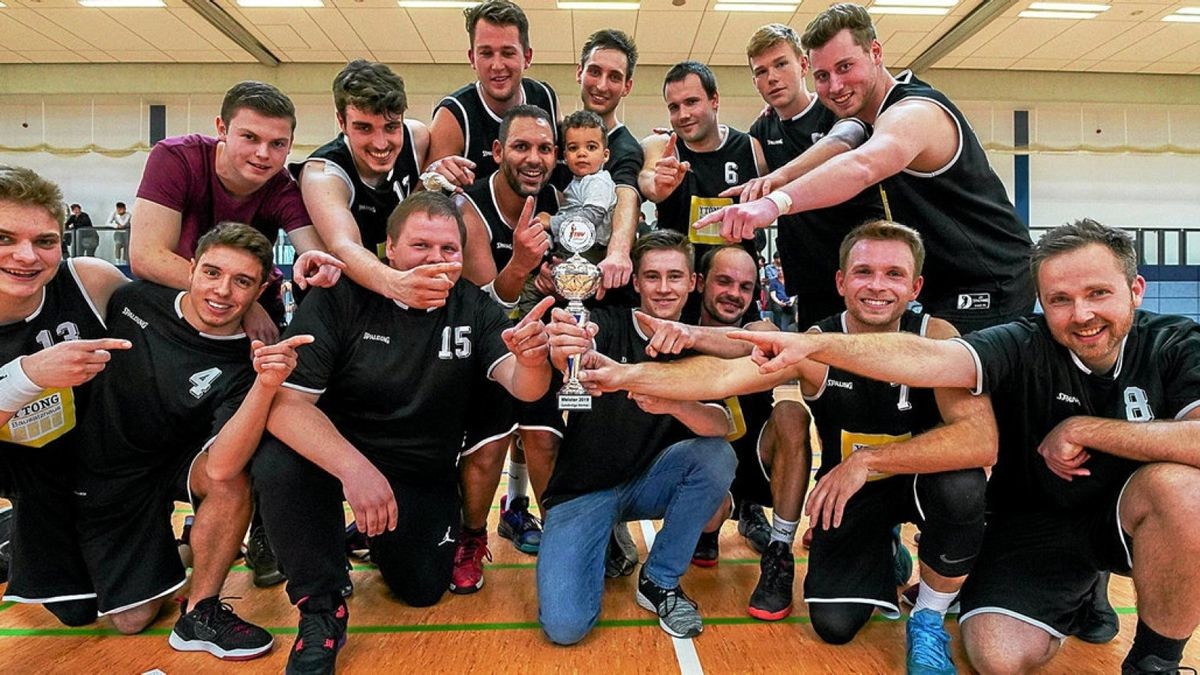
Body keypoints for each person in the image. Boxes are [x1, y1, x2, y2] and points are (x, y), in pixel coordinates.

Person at [719, 219, 1200, 675]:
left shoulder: (1175, 343)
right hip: (1036, 529)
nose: (1082, 314)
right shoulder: (1019, 343)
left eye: (1098, 293)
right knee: (994, 656)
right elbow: (932, 360)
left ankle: (1153, 662)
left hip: (1123, 519)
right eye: (1060, 299)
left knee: (1181, 489)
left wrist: (1083, 429)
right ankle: (1067, 589)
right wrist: (802, 346)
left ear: (1135, 290)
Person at [578, 222, 994, 674]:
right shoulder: (813, 345)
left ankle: (930, 615)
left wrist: (869, 460)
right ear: (840, 281)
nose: (877, 286)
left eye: (893, 274)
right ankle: (882, 549)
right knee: (833, 625)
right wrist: (624, 375)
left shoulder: (938, 337)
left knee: (963, 485)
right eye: (863, 272)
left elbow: (980, 440)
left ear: (915, 286)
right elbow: (721, 376)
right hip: (850, 496)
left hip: (916, 481)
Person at [254, 191, 553, 674]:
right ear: (388, 249)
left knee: (421, 590)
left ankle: (370, 533)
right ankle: (322, 608)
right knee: (278, 462)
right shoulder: (340, 297)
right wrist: (355, 470)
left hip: (418, 469)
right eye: (420, 246)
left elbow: (524, 388)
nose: (436, 260)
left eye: (449, 250)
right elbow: (286, 408)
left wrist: (533, 361)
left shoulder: (473, 306)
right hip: (339, 453)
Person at [698, 3, 1035, 333]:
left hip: (991, 280)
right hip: (939, 285)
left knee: (957, 382)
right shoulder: (861, 119)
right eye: (823, 76)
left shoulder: (914, 111)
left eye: (845, 67)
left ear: (875, 52)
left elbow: (862, 165)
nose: (835, 86)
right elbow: (841, 139)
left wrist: (774, 203)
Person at [72, 222, 314, 661]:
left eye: (242, 281)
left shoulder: (255, 355)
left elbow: (221, 467)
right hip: (111, 471)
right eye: (212, 273)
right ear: (191, 271)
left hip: (182, 463)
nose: (222, 291)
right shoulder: (131, 302)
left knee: (234, 477)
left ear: (260, 289)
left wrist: (264, 386)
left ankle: (200, 613)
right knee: (130, 620)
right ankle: (181, 550)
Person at [539, 230, 735, 643]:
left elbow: (722, 426)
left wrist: (671, 401)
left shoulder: (701, 343)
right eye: (652, 277)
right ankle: (604, 535)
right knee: (565, 627)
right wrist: (567, 351)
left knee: (717, 457)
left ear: (693, 283)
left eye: (674, 277)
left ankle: (659, 580)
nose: (663, 288)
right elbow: (571, 354)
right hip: (584, 490)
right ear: (635, 282)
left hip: (651, 483)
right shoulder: (603, 326)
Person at [0, 166, 130, 628]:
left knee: (92, 613)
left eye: (45, 241)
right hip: (15, 464)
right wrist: (28, 375)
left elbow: (172, 322)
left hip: (86, 462)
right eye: (4, 238)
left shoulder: (90, 281)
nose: (25, 256)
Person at [450, 105, 557, 595]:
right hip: (482, 347)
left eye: (543, 148)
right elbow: (481, 306)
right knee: (488, 444)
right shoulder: (469, 208)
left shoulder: (560, 198)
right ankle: (471, 536)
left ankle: (561, 533)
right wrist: (520, 265)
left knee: (544, 436)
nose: (533, 158)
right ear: (497, 152)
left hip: (542, 342)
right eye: (521, 146)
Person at [131, 80, 327, 344]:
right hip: (179, 306)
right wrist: (245, 304)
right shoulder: (176, 158)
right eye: (250, 137)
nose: (262, 154)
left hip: (253, 322)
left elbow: (316, 255)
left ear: (291, 144)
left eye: (277, 144)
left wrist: (320, 265)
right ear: (221, 129)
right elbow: (146, 257)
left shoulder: (284, 190)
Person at [684, 245, 815, 624]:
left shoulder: (757, 328)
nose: (733, 294)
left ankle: (779, 552)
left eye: (744, 286)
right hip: (707, 469)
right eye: (723, 281)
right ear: (699, 282)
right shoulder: (676, 320)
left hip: (756, 459)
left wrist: (687, 335)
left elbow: (762, 338)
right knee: (706, 513)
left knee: (792, 414)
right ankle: (709, 531)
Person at [743, 23, 883, 328]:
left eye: (781, 64)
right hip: (808, 277)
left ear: (803, 65)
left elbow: (844, 141)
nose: (772, 78)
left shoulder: (837, 107)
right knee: (816, 369)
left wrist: (781, 177)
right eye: (761, 71)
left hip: (860, 270)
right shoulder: (762, 130)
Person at [292, 59, 433, 306]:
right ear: (341, 122)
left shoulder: (417, 138)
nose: (380, 143)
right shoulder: (322, 174)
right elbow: (343, 247)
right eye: (364, 128)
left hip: (391, 301)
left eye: (391, 127)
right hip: (337, 305)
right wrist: (399, 284)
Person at [639, 61, 768, 267]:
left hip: (735, 285)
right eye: (674, 107)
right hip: (678, 286)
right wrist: (656, 186)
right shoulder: (662, 146)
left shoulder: (752, 148)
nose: (683, 115)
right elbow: (647, 177)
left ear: (714, 99)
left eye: (691, 102)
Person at [426, 0, 558, 190]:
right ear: (472, 59)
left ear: (527, 58)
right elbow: (424, 199)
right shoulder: (454, 115)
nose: (497, 66)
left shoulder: (545, 97)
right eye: (486, 53)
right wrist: (434, 177)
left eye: (508, 53)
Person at [567, 28, 643, 296]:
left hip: (604, 284)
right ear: (580, 72)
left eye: (614, 77)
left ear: (627, 87)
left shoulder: (626, 148)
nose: (601, 85)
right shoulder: (558, 135)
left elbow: (626, 194)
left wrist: (619, 252)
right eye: (595, 71)